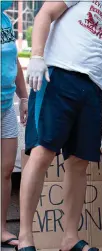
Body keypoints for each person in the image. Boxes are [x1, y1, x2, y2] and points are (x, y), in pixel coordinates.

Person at [18, 1, 102, 251]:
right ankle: (25, 237)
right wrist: (36, 55)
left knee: (79, 162)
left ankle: (70, 238)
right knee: (42, 153)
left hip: (91, 90)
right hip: (56, 75)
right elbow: (45, 13)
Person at [1, 0, 28, 248]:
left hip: (6, 105)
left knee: (6, 169)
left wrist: (24, 97)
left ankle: (1, 229)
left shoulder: (6, 20)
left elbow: (14, 59)